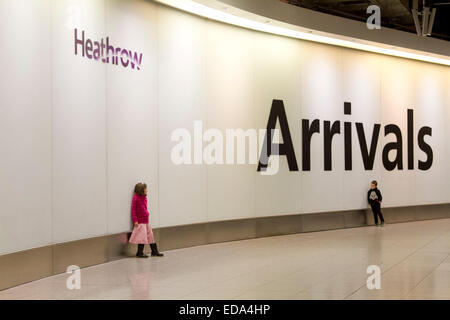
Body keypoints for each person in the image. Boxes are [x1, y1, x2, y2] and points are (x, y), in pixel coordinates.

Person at [129, 182, 164, 258]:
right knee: (142, 237)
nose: (147, 190)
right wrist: (135, 220)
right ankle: (139, 252)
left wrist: (147, 213)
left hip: (146, 220)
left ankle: (154, 251)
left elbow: (144, 207)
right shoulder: (136, 198)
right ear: (141, 190)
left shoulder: (144, 197)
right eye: (145, 188)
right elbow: (133, 210)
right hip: (140, 221)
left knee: (150, 235)